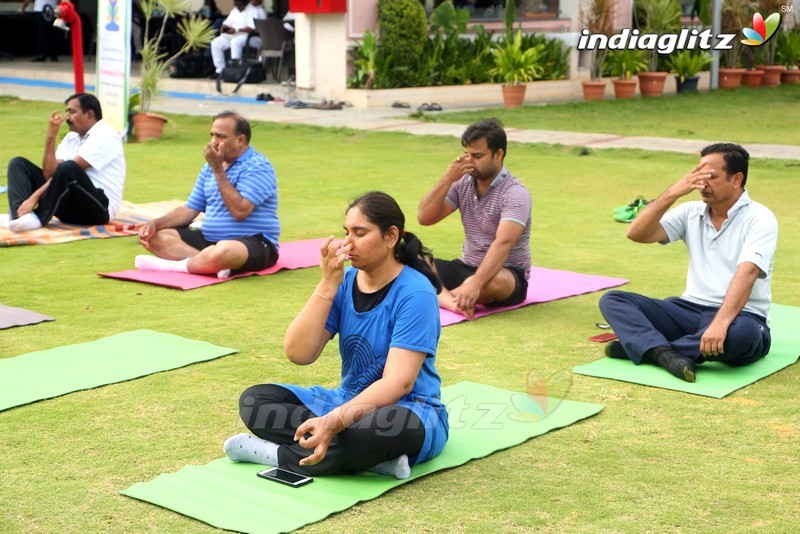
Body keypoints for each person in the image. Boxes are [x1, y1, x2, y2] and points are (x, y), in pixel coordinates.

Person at [223, 191, 449, 480]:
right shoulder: (345, 282)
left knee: (381, 427)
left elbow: (398, 382)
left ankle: (272, 454)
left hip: (410, 410)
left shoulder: (415, 293)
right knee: (255, 401)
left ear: (391, 236)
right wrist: (328, 284)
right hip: (346, 400)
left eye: (360, 233)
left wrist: (335, 421)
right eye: (346, 232)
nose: (348, 243)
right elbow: (299, 353)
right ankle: (370, 462)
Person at [599, 143, 778, 382]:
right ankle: (666, 353)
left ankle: (649, 348)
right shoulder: (690, 211)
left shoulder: (760, 218)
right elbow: (636, 233)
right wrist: (673, 192)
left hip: (742, 316)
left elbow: (747, 273)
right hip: (688, 310)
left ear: (736, 180)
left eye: (711, 177)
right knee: (613, 300)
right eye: (698, 176)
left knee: (743, 336)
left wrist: (720, 324)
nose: (702, 184)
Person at [135, 111, 279, 279]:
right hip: (209, 240)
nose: (213, 142)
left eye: (221, 137)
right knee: (155, 236)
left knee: (225, 250)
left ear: (240, 140)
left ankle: (175, 266)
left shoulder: (257, 166)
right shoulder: (210, 167)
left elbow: (240, 211)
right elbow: (190, 209)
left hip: (253, 242)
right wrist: (155, 224)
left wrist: (217, 169)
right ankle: (211, 264)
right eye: (212, 135)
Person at [417, 118, 532, 318]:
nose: (469, 161)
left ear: (498, 154)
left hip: (506, 273)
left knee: (497, 282)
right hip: (466, 266)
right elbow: (425, 218)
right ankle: (453, 302)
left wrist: (475, 284)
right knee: (411, 259)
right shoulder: (463, 183)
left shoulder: (515, 193)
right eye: (467, 155)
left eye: (477, 156)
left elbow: (503, 243)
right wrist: (447, 178)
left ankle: (434, 294)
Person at [6, 93, 126, 232]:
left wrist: (34, 197)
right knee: (18, 164)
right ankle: (19, 216)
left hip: (98, 209)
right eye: (66, 111)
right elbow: (50, 173)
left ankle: (38, 218)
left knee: (68, 167)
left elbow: (69, 171)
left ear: (89, 114)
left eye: (72, 111)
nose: (67, 116)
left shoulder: (106, 135)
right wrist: (51, 135)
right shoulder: (71, 137)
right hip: (69, 205)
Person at [208, 0, 257, 80]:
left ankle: (235, 71)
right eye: (236, 3)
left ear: (246, 2)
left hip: (245, 36)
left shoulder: (253, 11)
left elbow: (251, 28)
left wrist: (236, 30)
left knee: (235, 42)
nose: (237, 5)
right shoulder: (234, 11)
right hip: (231, 35)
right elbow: (227, 22)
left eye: (239, 3)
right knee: (216, 43)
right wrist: (224, 26)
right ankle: (220, 71)